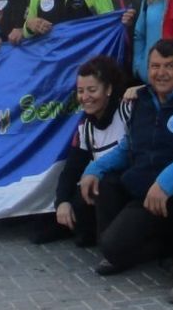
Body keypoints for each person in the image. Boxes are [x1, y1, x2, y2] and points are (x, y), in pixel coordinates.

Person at [79, 40, 173, 305]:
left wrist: (166, 182)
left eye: (170, 66)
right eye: (155, 66)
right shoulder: (141, 101)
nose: (161, 73)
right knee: (112, 241)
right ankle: (166, 250)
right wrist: (94, 168)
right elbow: (128, 148)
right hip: (149, 196)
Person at [33, 55, 130, 246]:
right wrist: (61, 202)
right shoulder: (85, 127)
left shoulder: (127, 110)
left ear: (109, 89)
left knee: (104, 186)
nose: (85, 97)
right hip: (101, 193)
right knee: (75, 201)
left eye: (92, 90)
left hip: (126, 189)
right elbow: (71, 170)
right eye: (80, 91)